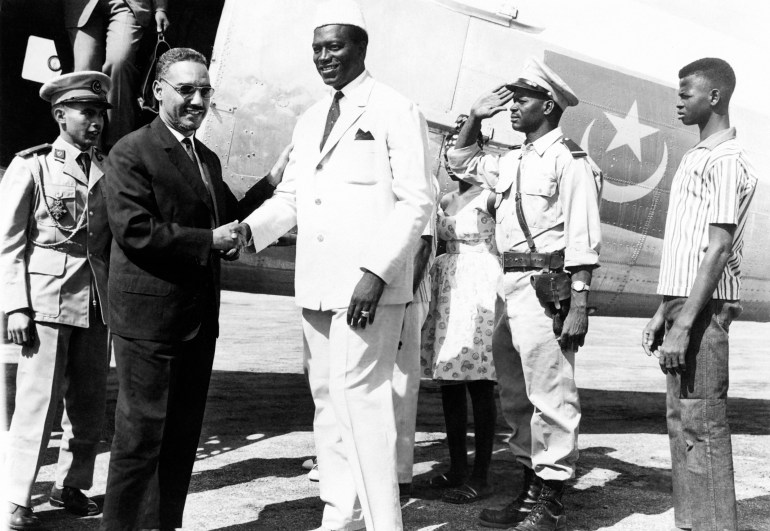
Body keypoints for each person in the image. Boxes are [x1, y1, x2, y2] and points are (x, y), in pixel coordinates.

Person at [241, 1, 434, 528]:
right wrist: (249, 232)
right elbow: (292, 196)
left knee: (365, 404)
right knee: (327, 402)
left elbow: (418, 201)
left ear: (361, 49)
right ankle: (338, 514)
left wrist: (376, 272)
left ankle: (382, 523)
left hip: (368, 288)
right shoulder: (310, 119)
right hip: (318, 287)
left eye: (335, 47)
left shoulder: (395, 108)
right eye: (317, 49)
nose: (324, 58)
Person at [99, 47, 277, 531]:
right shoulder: (132, 151)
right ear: (159, 91)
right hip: (149, 323)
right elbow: (134, 229)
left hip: (196, 323)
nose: (198, 100)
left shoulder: (206, 157)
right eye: (186, 90)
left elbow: (224, 216)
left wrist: (273, 183)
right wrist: (208, 240)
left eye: (204, 91)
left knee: (179, 437)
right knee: (140, 440)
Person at [447, 57, 602, 531]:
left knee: (551, 392)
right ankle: (529, 486)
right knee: (515, 394)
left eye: (523, 99)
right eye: (512, 98)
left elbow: (583, 236)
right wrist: (475, 117)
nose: (513, 106)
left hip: (546, 287)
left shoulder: (571, 160)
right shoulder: (513, 159)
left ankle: (550, 500)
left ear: (549, 105)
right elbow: (461, 161)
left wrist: (578, 302)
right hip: (509, 286)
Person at [642, 58, 757, 531]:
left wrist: (686, 322)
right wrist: (661, 311)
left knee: (703, 422)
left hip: (702, 311)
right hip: (683, 305)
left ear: (714, 97)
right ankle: (693, 521)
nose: (678, 101)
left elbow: (718, 245)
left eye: (686, 92)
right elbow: (687, 247)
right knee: (682, 420)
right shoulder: (697, 156)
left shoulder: (727, 161)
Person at [0, 71, 113, 530]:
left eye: (99, 113)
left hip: (95, 302)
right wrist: (16, 306)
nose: (95, 121)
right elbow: (9, 242)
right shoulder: (33, 165)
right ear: (59, 113)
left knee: (88, 405)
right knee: (36, 403)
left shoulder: (108, 167)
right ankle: (15, 498)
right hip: (45, 300)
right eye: (85, 111)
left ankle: (71, 485)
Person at [420, 154, 501, 505]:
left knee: (481, 382)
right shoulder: (445, 200)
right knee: (450, 379)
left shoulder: (491, 197)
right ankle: (457, 468)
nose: (454, 160)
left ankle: (481, 475)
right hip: (447, 284)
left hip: (480, 281)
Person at [64, 0, 171, 149]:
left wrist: (160, 8)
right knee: (85, 73)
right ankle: (87, 147)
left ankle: (118, 147)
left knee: (119, 63)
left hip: (127, 4)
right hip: (82, 6)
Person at [393, 175, 438, 501]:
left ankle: (399, 474)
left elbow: (424, 242)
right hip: (386, 292)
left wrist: (405, 298)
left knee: (401, 385)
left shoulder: (418, 176)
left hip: (406, 294)